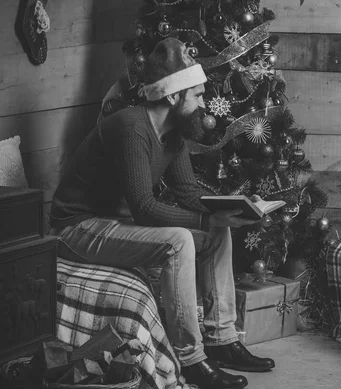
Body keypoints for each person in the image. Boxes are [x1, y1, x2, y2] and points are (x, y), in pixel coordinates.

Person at [49, 37, 275, 389]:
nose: (204, 106)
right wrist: (205, 219)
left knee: (217, 233)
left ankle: (223, 340)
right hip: (77, 227)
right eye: (198, 96)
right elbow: (144, 208)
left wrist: (234, 206)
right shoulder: (131, 127)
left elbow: (188, 191)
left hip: (114, 224)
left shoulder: (174, 134)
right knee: (179, 240)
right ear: (173, 95)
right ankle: (192, 360)